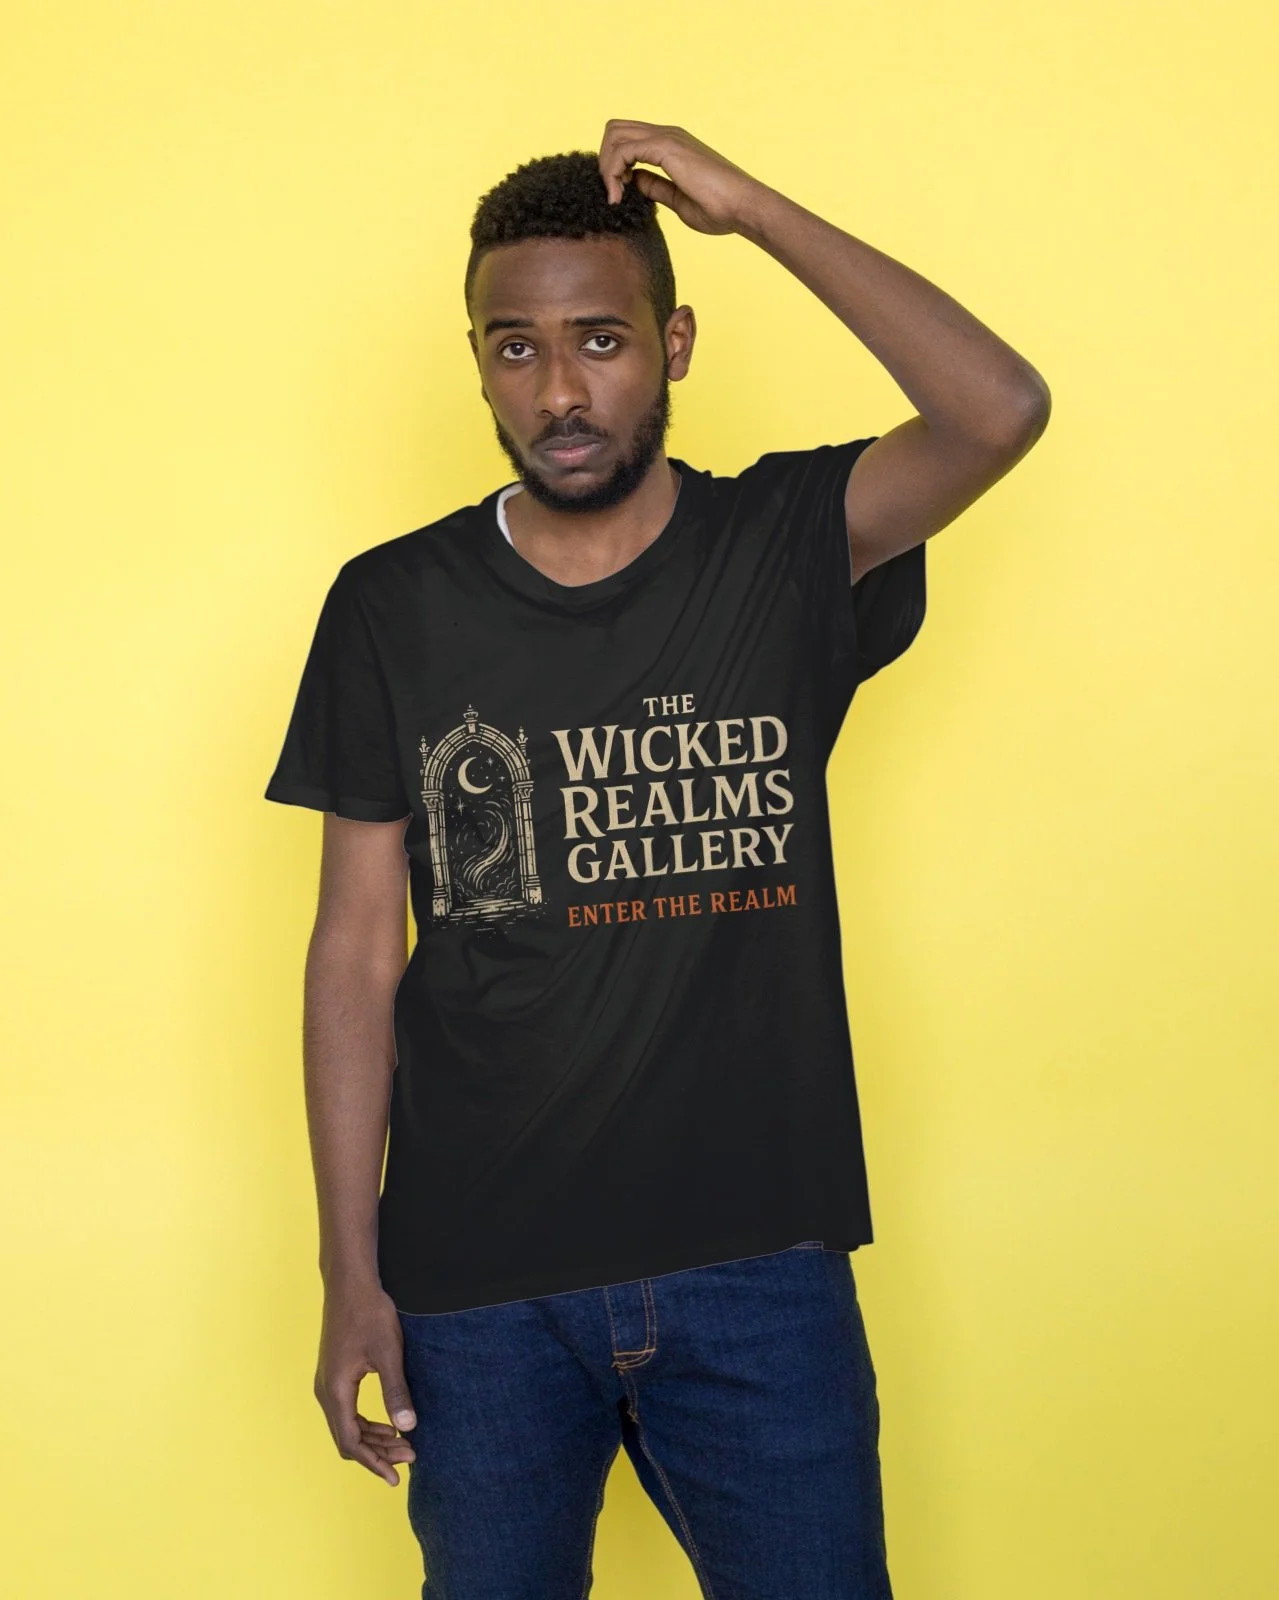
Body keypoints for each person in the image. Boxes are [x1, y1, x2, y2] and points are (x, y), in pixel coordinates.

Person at [264, 120, 1050, 1599]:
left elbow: (998, 408)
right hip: (476, 1293)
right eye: (514, 349)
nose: (558, 392)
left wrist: (751, 207)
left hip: (755, 1269)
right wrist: (348, 1272)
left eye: (602, 340)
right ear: (477, 361)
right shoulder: (392, 604)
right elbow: (357, 951)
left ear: (674, 344)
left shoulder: (788, 542)